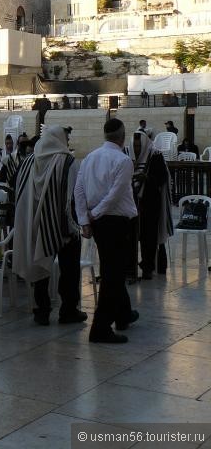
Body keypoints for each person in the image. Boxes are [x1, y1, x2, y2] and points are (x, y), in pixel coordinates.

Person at [74, 118, 139, 343]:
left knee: (113, 270)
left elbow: (79, 190)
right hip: (115, 223)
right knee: (113, 275)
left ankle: (123, 315)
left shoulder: (90, 158)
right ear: (122, 136)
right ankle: (100, 328)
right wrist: (94, 214)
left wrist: (86, 219)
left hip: (99, 223)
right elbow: (115, 195)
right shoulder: (123, 160)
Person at [13, 126, 86, 325]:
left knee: (40, 266)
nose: (68, 142)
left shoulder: (28, 162)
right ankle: (68, 310)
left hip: (34, 222)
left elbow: (17, 189)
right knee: (69, 269)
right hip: (63, 225)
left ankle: (41, 311)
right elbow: (73, 195)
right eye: (66, 138)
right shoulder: (68, 162)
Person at [132, 131, 173, 278]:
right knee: (137, 236)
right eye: (135, 146)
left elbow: (161, 178)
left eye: (139, 146)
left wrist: (146, 177)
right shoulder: (130, 157)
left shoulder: (155, 156)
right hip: (135, 202)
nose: (137, 149)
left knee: (149, 236)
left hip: (151, 202)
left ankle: (148, 268)